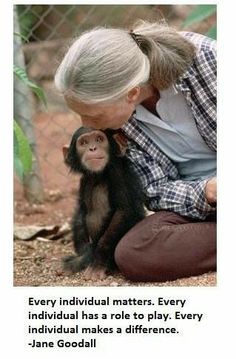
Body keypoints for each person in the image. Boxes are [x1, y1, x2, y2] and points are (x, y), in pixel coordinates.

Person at [54, 20, 216, 282]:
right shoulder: (116, 126)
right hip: (198, 201)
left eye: (91, 114)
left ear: (131, 93)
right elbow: (154, 190)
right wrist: (207, 191)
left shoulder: (206, 59)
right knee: (133, 253)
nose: (86, 125)